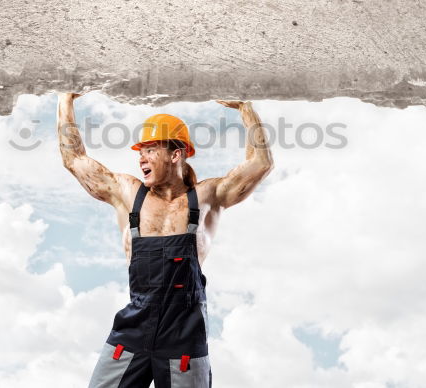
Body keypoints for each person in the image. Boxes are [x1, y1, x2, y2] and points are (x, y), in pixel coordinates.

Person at [57, 92, 274, 388]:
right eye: (140, 152)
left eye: (150, 150)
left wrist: (245, 108)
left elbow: (261, 162)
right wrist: (65, 99)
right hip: (132, 331)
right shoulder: (128, 193)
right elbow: (75, 159)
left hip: (184, 336)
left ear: (175, 154)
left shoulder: (207, 196)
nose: (141, 158)